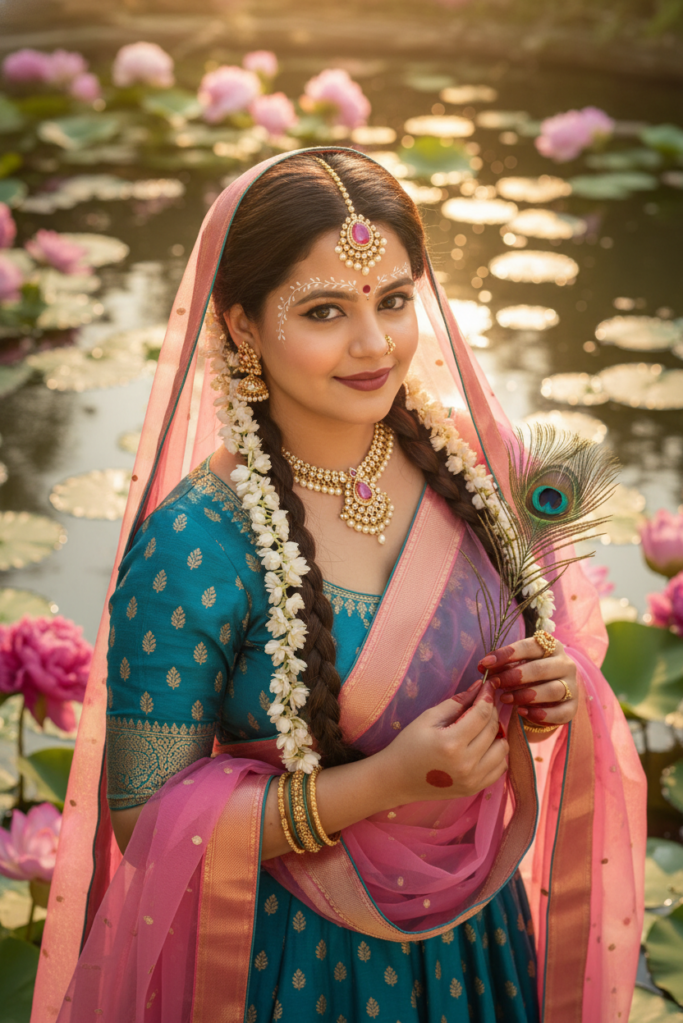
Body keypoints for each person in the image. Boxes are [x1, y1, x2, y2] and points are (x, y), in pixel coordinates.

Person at [32, 149, 646, 1023]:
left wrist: (548, 690)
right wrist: (385, 785)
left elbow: (551, 643)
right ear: (242, 326)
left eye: (394, 301)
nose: (373, 344)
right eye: (324, 311)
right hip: (291, 962)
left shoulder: (472, 472)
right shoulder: (195, 547)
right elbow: (145, 822)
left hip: (476, 936)